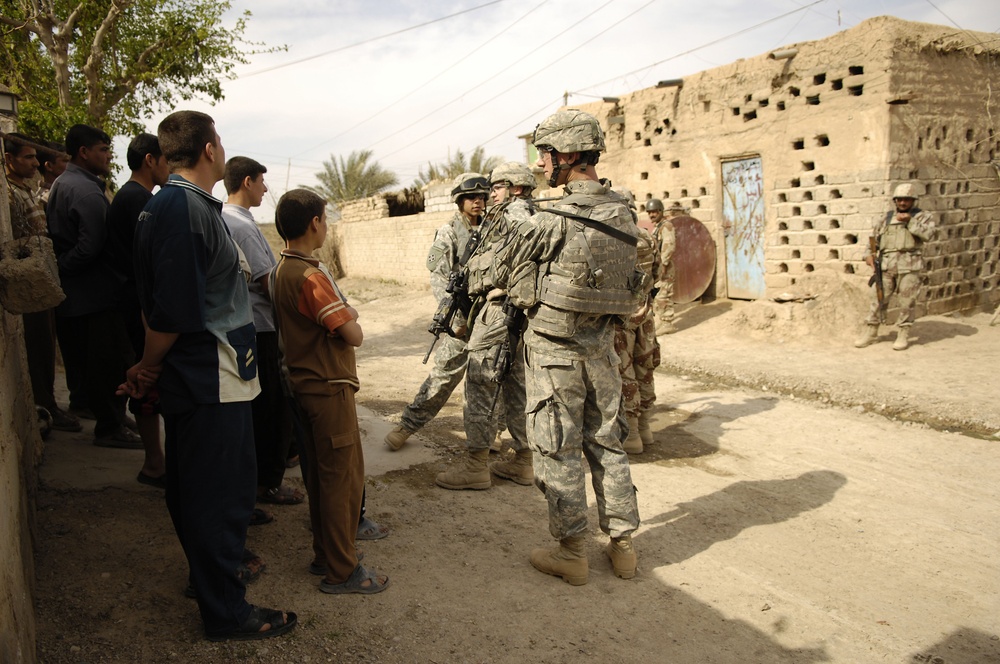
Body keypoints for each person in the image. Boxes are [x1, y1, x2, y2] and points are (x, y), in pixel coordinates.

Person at [121, 110, 296, 641]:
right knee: (218, 495)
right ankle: (226, 610)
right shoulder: (179, 209)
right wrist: (149, 367)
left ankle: (211, 580)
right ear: (210, 150)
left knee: (200, 488)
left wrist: (149, 364)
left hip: (214, 373)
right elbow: (172, 310)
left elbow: (159, 301)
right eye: (219, 140)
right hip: (209, 376)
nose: (223, 148)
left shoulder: (182, 205)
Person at [494, 110, 642, 585]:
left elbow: (511, 283)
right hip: (602, 350)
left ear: (570, 154)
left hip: (555, 351)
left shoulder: (549, 219)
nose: (540, 164)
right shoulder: (624, 212)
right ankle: (623, 547)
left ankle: (572, 551)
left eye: (546, 153)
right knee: (607, 442)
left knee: (558, 448)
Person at [270, 188, 390, 595]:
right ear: (315, 223)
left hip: (301, 387)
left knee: (323, 478)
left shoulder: (279, 269)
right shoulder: (311, 276)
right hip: (328, 389)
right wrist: (350, 312)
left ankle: (326, 554)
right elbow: (352, 333)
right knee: (343, 481)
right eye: (325, 218)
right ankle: (342, 569)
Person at [435, 162, 536, 490]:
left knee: (479, 384)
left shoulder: (508, 218)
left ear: (514, 189)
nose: (488, 194)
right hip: (521, 315)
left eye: (495, 188)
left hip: (496, 311)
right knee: (515, 385)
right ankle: (524, 461)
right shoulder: (540, 217)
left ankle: (476, 466)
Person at [47, 124, 140, 447]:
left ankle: (114, 418)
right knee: (107, 361)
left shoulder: (67, 182)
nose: (108, 156)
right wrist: (63, 269)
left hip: (83, 292)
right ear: (84, 152)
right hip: (93, 294)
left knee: (98, 360)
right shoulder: (84, 191)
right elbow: (91, 246)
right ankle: (110, 427)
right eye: (102, 149)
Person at [383, 172, 489, 450]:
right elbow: (440, 278)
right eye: (471, 197)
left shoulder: (492, 228)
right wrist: (454, 318)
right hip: (463, 319)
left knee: (490, 380)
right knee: (443, 376)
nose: (477, 202)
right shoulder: (450, 232)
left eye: (481, 197)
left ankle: (490, 436)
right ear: (459, 201)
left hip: (490, 318)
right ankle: (407, 425)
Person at [221, 156, 302, 508]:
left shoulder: (230, 219)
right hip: (261, 326)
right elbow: (265, 279)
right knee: (273, 406)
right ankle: (267, 483)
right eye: (261, 182)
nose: (265, 189)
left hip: (249, 323)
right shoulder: (240, 225)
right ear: (247, 182)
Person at [3, 132, 81, 432]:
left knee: (46, 345)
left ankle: (47, 403)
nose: (35, 163)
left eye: (36, 157)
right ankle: (44, 405)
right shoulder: (9, 192)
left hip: (42, 276)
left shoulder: (25, 189)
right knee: (37, 346)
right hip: (27, 280)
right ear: (9, 160)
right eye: (28, 157)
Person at [106, 133, 171, 486]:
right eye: (165, 160)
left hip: (136, 302)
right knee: (147, 377)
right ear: (150, 160)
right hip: (138, 307)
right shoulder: (138, 201)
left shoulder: (135, 198)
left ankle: (157, 462)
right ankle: (155, 464)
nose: (168, 169)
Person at [855, 182, 936, 351]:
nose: (903, 203)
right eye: (900, 200)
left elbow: (928, 235)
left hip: (909, 265)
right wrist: (868, 255)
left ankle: (903, 333)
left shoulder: (922, 217)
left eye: (907, 200)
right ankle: (871, 331)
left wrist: (910, 222)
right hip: (886, 266)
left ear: (913, 201)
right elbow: (873, 241)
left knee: (907, 301)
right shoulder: (886, 218)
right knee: (876, 298)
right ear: (895, 201)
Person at [614, 189, 660, 454]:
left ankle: (632, 434)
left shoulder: (617, 239)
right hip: (646, 312)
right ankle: (645, 427)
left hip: (624, 316)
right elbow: (657, 275)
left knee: (625, 370)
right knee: (646, 365)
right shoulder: (647, 237)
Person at [647, 198, 677, 334]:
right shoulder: (658, 226)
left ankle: (667, 322)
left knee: (664, 294)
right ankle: (663, 320)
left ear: (660, 211)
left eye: (654, 212)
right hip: (659, 266)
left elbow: (669, 246)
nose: (652, 215)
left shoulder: (666, 226)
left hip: (665, 268)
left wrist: (663, 265)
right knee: (659, 295)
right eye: (650, 212)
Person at [36, 140, 70, 205]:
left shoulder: (62, 192)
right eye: (65, 161)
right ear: (49, 166)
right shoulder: (47, 198)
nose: (71, 165)